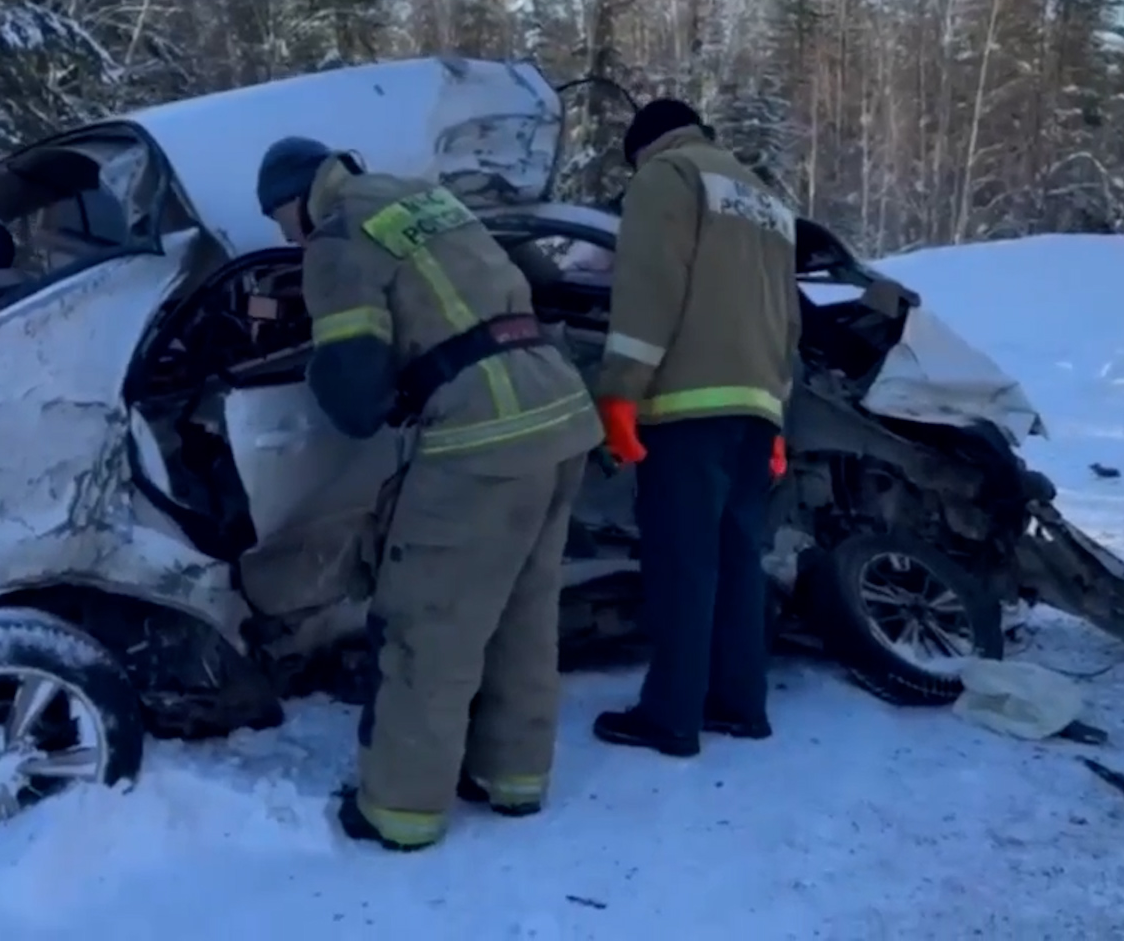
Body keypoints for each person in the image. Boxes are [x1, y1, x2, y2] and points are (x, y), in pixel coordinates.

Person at [253, 136, 603, 851]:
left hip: (483, 430)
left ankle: (399, 810)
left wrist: (319, 359)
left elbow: (354, 399)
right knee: (522, 611)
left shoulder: (338, 237)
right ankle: (514, 780)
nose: (283, 237)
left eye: (277, 221)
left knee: (426, 622)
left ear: (294, 199)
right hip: (560, 409)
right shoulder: (424, 198)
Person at [588, 99, 801, 759]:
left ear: (644, 147)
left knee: (683, 563)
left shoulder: (666, 177)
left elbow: (649, 292)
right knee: (738, 559)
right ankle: (739, 704)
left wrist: (619, 393)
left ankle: (671, 717)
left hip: (685, 406)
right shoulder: (765, 198)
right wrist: (777, 419)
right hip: (756, 406)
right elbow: (788, 320)